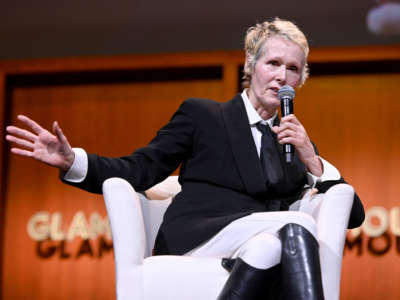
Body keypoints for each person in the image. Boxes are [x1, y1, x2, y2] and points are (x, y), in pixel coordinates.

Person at [6, 18, 364, 300]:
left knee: (271, 247)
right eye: (273, 63)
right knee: (299, 227)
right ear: (250, 64)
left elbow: (353, 214)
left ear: (300, 80)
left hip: (257, 242)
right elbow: (139, 169)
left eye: (293, 69)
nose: (281, 76)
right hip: (197, 234)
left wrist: (312, 161)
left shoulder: (295, 142)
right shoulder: (203, 115)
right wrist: (73, 161)